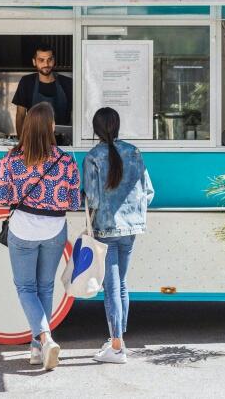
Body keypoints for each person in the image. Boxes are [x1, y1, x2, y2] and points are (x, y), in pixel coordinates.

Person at [0, 102, 81, 371]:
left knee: (26, 288)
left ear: (27, 127)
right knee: (45, 287)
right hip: (54, 230)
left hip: (23, 229)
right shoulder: (66, 160)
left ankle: (44, 338)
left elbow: (0, 197)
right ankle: (37, 347)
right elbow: (73, 201)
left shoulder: (12, 158)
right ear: (52, 127)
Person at [82, 107, 154, 364]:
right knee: (121, 284)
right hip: (132, 228)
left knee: (111, 287)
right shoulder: (134, 152)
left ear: (96, 129)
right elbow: (148, 192)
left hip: (106, 228)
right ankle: (118, 340)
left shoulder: (93, 157)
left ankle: (116, 346)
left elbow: (93, 198)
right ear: (118, 126)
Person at [12, 43, 73, 143]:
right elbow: (20, 115)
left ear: (54, 60)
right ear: (34, 62)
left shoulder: (67, 83)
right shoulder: (27, 82)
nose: (46, 64)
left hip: (63, 143)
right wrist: (22, 143)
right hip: (34, 142)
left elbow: (74, 115)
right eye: (41, 60)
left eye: (50, 59)